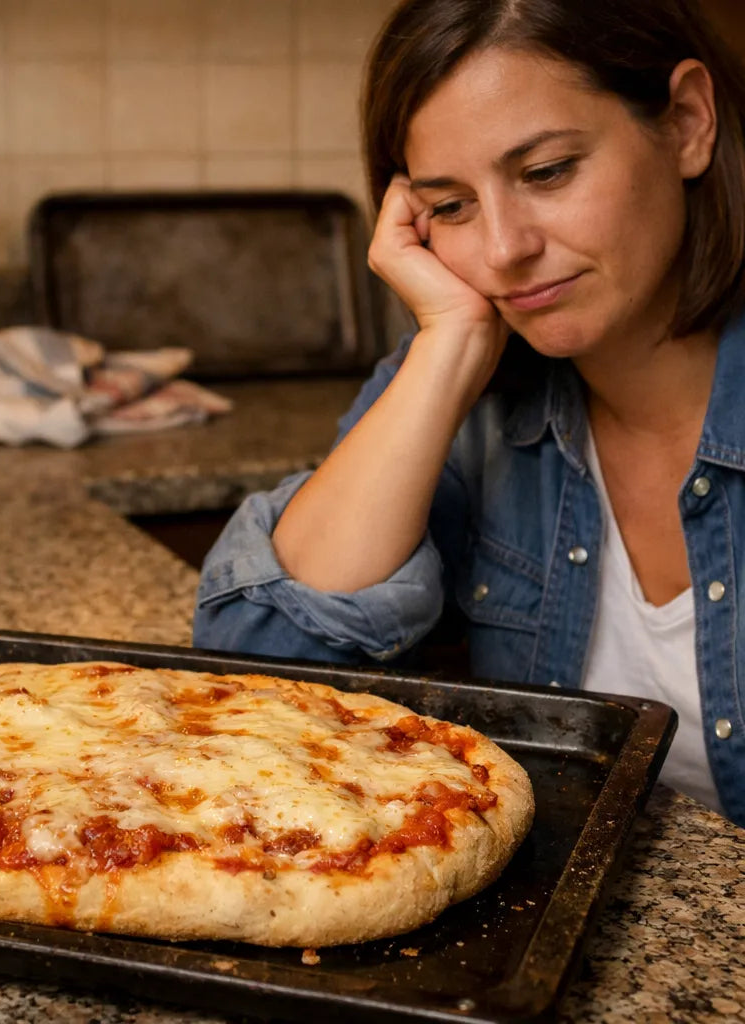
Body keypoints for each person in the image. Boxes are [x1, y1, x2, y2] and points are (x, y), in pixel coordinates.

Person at [193, 0, 745, 827]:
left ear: (688, 124)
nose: (503, 249)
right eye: (450, 206)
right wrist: (448, 344)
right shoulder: (465, 393)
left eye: (549, 171)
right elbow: (258, 679)